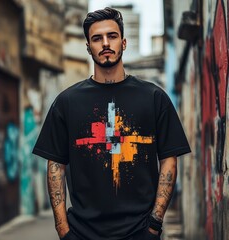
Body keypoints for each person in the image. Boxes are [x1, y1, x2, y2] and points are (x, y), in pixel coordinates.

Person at [32, 7, 191, 240]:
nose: (105, 43)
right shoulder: (66, 102)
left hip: (140, 232)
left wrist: (155, 223)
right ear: (88, 47)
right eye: (97, 38)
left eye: (112, 36)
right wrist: (63, 230)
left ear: (124, 43)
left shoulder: (154, 98)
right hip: (82, 233)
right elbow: (55, 165)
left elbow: (168, 159)